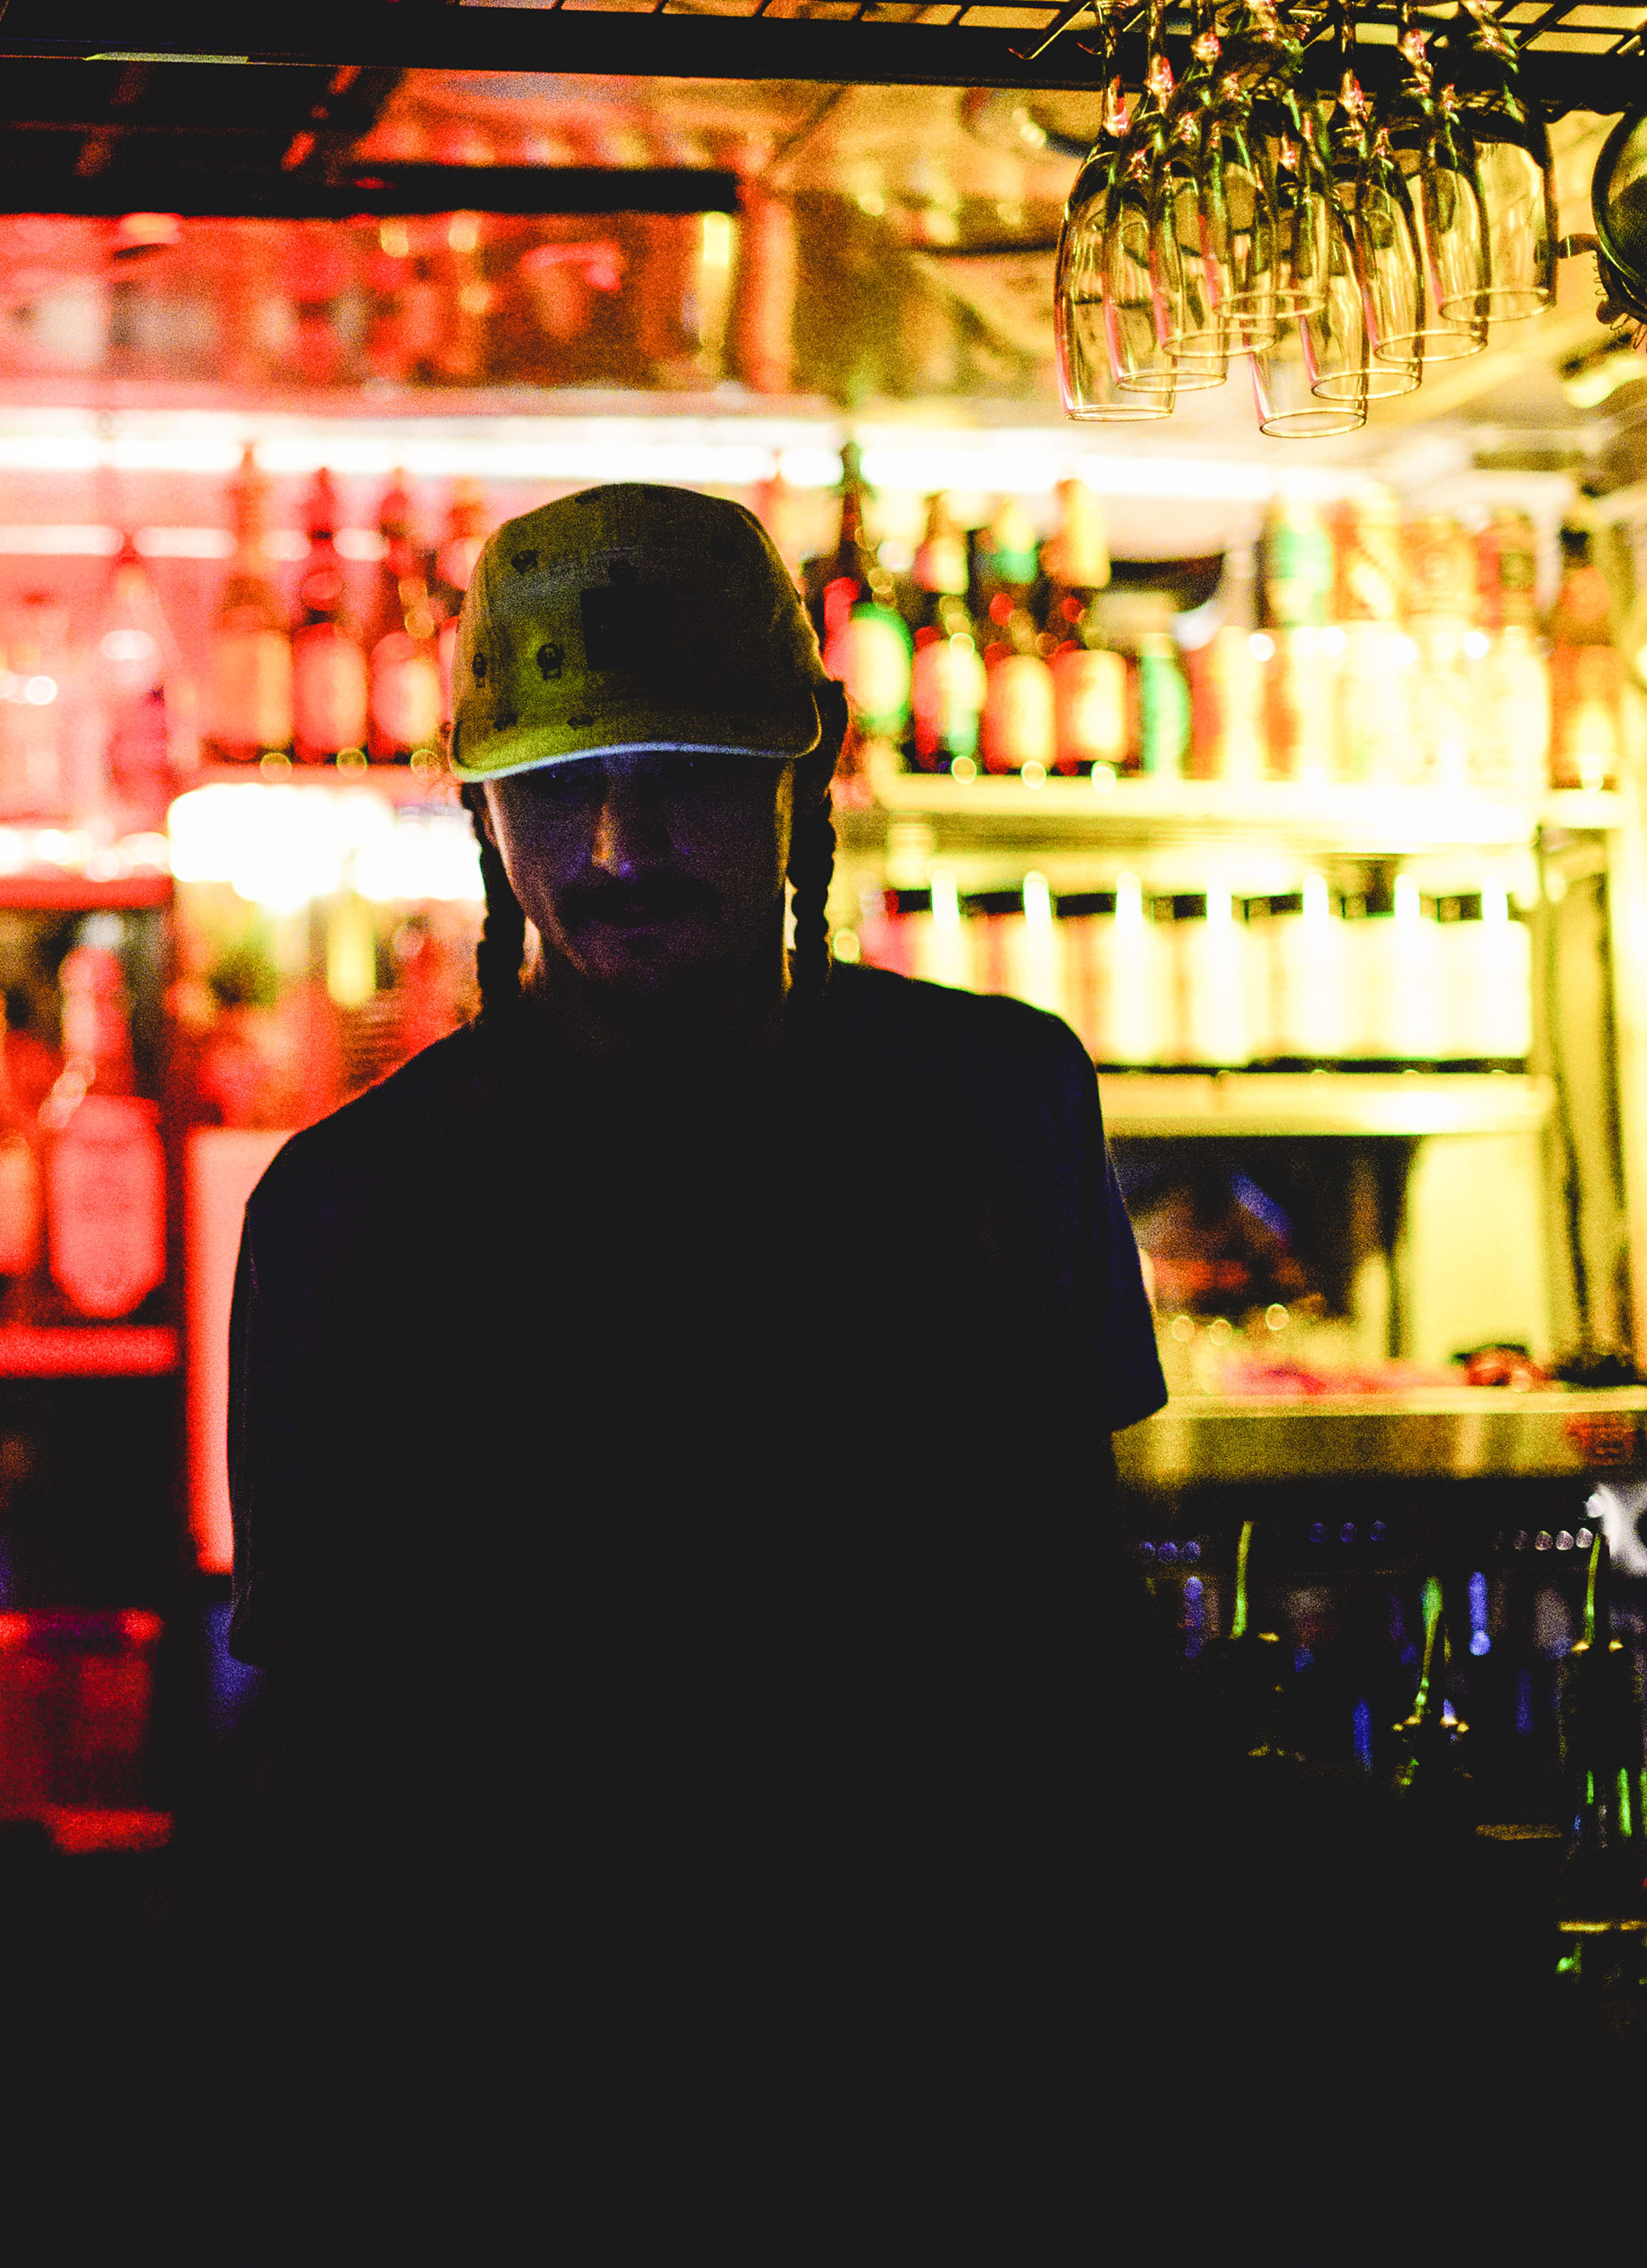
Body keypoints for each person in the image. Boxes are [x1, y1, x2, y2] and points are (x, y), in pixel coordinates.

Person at [211, 485, 1173, 2243]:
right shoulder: (348, 1207)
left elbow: (1083, 1623)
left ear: (807, 775)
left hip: (966, 2063)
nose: (618, 846)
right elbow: (326, 1757)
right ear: (481, 810)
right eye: (558, 787)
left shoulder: (1000, 1106)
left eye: (690, 777)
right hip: (521, 2101)